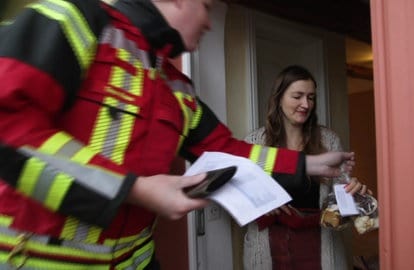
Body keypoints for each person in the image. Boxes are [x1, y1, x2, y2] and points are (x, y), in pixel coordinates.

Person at [0, 0, 355, 269]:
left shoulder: (176, 86)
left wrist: (308, 164)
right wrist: (136, 189)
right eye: (204, 6)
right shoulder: (70, 21)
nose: (207, 22)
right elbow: (8, 127)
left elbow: (226, 149)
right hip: (33, 257)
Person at [243, 65, 369, 270]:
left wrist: (353, 194)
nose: (305, 104)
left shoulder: (329, 141)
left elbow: (341, 208)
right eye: (297, 96)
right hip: (269, 246)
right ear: (279, 98)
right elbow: (239, 197)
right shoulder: (255, 142)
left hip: (318, 246)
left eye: (311, 97)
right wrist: (263, 203)